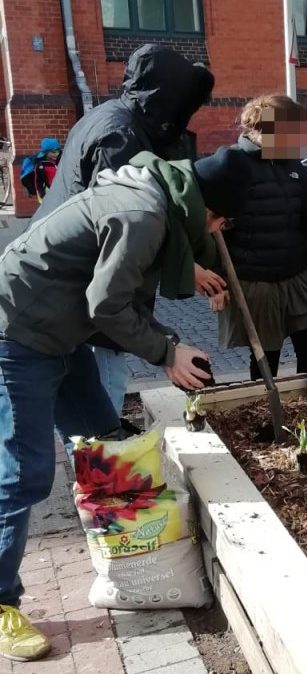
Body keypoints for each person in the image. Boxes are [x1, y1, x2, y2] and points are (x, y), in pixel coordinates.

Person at [0, 146, 250, 661]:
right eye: (221, 221)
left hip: (62, 332)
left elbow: (125, 300)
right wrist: (165, 353)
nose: (218, 232)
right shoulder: (143, 213)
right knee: (24, 473)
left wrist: (169, 344)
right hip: (20, 333)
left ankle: (128, 560)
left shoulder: (154, 198)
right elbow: (106, 304)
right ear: (205, 208)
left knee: (105, 443)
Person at [31, 43, 221, 416]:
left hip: (68, 287)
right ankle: (103, 457)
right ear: (165, 98)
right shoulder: (120, 137)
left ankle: (97, 459)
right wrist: (186, 269)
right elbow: (124, 232)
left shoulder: (112, 118)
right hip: (79, 293)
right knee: (101, 406)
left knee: (87, 418)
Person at [213, 94, 307, 381]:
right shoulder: (232, 163)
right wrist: (216, 283)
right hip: (256, 281)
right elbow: (208, 226)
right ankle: (268, 417)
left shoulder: (294, 166)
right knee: (266, 359)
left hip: (296, 275)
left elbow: (306, 206)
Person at [18, 138, 60, 202]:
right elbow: (39, 182)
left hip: (59, 192)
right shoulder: (41, 165)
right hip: (47, 194)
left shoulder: (59, 161)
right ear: (45, 152)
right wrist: (43, 195)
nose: (56, 154)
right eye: (53, 152)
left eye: (58, 151)